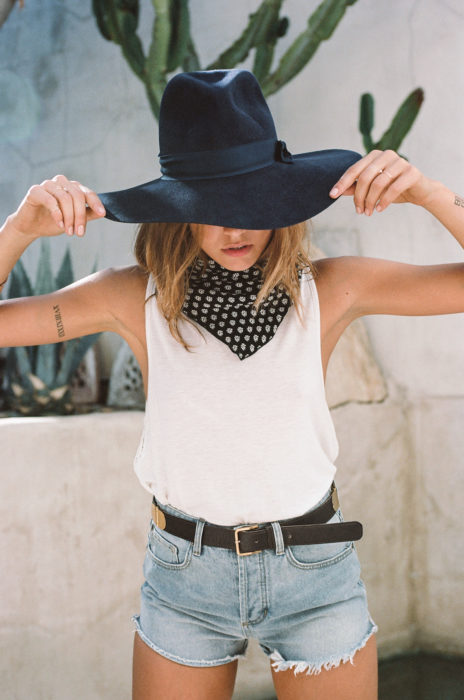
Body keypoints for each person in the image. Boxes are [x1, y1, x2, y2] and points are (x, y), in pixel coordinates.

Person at [0, 69, 463, 700]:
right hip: (186, 578)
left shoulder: (331, 287)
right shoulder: (131, 296)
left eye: (254, 202)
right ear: (177, 209)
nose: (235, 228)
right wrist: (20, 230)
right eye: (212, 207)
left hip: (313, 572)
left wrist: (431, 194)